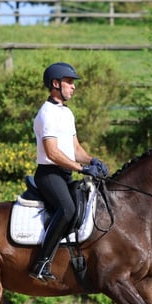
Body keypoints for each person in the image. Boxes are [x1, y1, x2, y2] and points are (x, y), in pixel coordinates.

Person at [29, 62, 108, 282]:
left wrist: (93, 160)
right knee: (67, 209)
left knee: (83, 206)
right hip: (49, 175)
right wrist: (82, 168)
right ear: (56, 84)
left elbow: (75, 148)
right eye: (69, 82)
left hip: (64, 175)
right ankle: (41, 262)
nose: (73, 87)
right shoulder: (46, 114)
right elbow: (53, 153)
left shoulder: (66, 113)